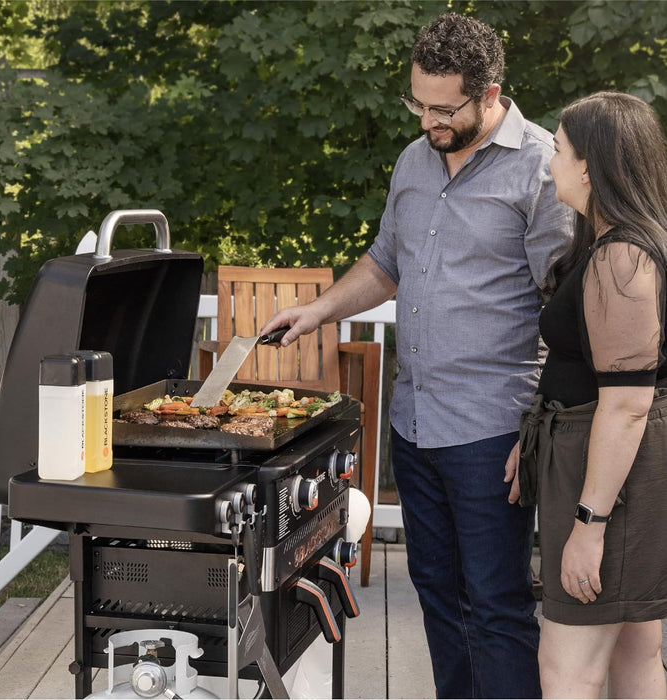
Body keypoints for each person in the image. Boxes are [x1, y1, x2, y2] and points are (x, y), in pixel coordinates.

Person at [261, 12, 573, 699]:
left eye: (443, 107)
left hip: (494, 428)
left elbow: (566, 308)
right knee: (436, 594)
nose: (428, 120)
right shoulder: (412, 159)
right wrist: (316, 311)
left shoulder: (542, 168)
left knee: (495, 604)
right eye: (417, 103)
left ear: (490, 92)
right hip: (415, 420)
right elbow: (384, 263)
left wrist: (537, 425)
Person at [516, 92, 667, 698]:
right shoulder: (609, 245)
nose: (549, 163)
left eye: (556, 150)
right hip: (603, 462)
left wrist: (590, 523)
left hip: (612, 479)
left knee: (567, 663)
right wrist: (537, 439)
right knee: (636, 652)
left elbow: (628, 404)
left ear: (589, 166)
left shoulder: (623, 258)